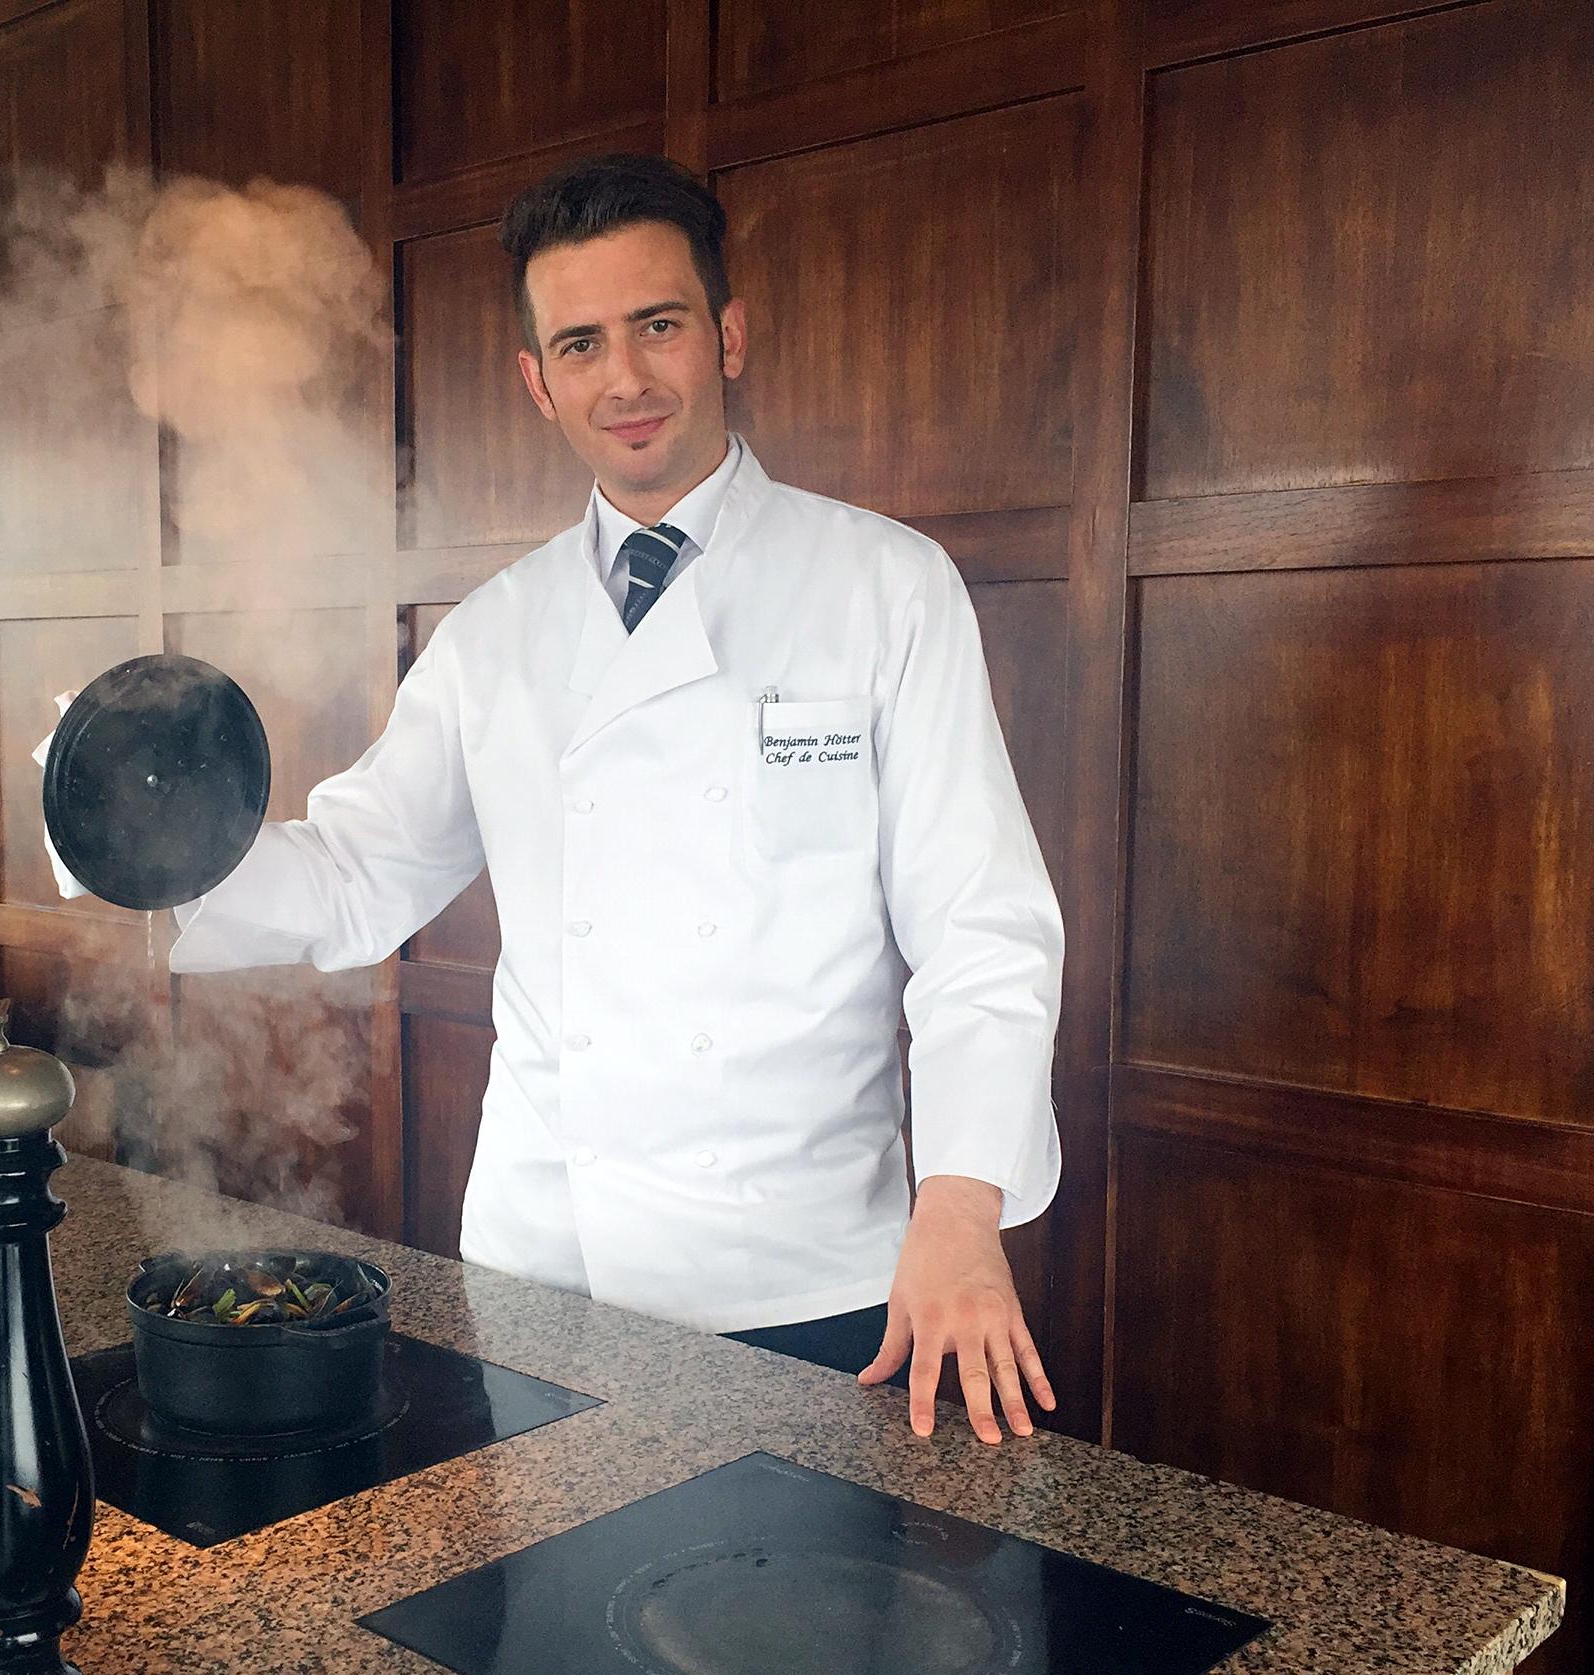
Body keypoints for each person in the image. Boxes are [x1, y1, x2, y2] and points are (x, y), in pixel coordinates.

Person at [161, 154, 1063, 1445]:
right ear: (539, 380)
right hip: (545, 1264)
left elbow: (981, 930)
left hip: (800, 1272)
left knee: (790, 1580)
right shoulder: (495, 633)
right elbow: (357, 872)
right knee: (551, 1578)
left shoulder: (884, 586)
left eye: (659, 325)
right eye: (580, 344)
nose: (624, 378)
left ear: (727, 335)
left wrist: (964, 1210)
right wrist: (147, 835)